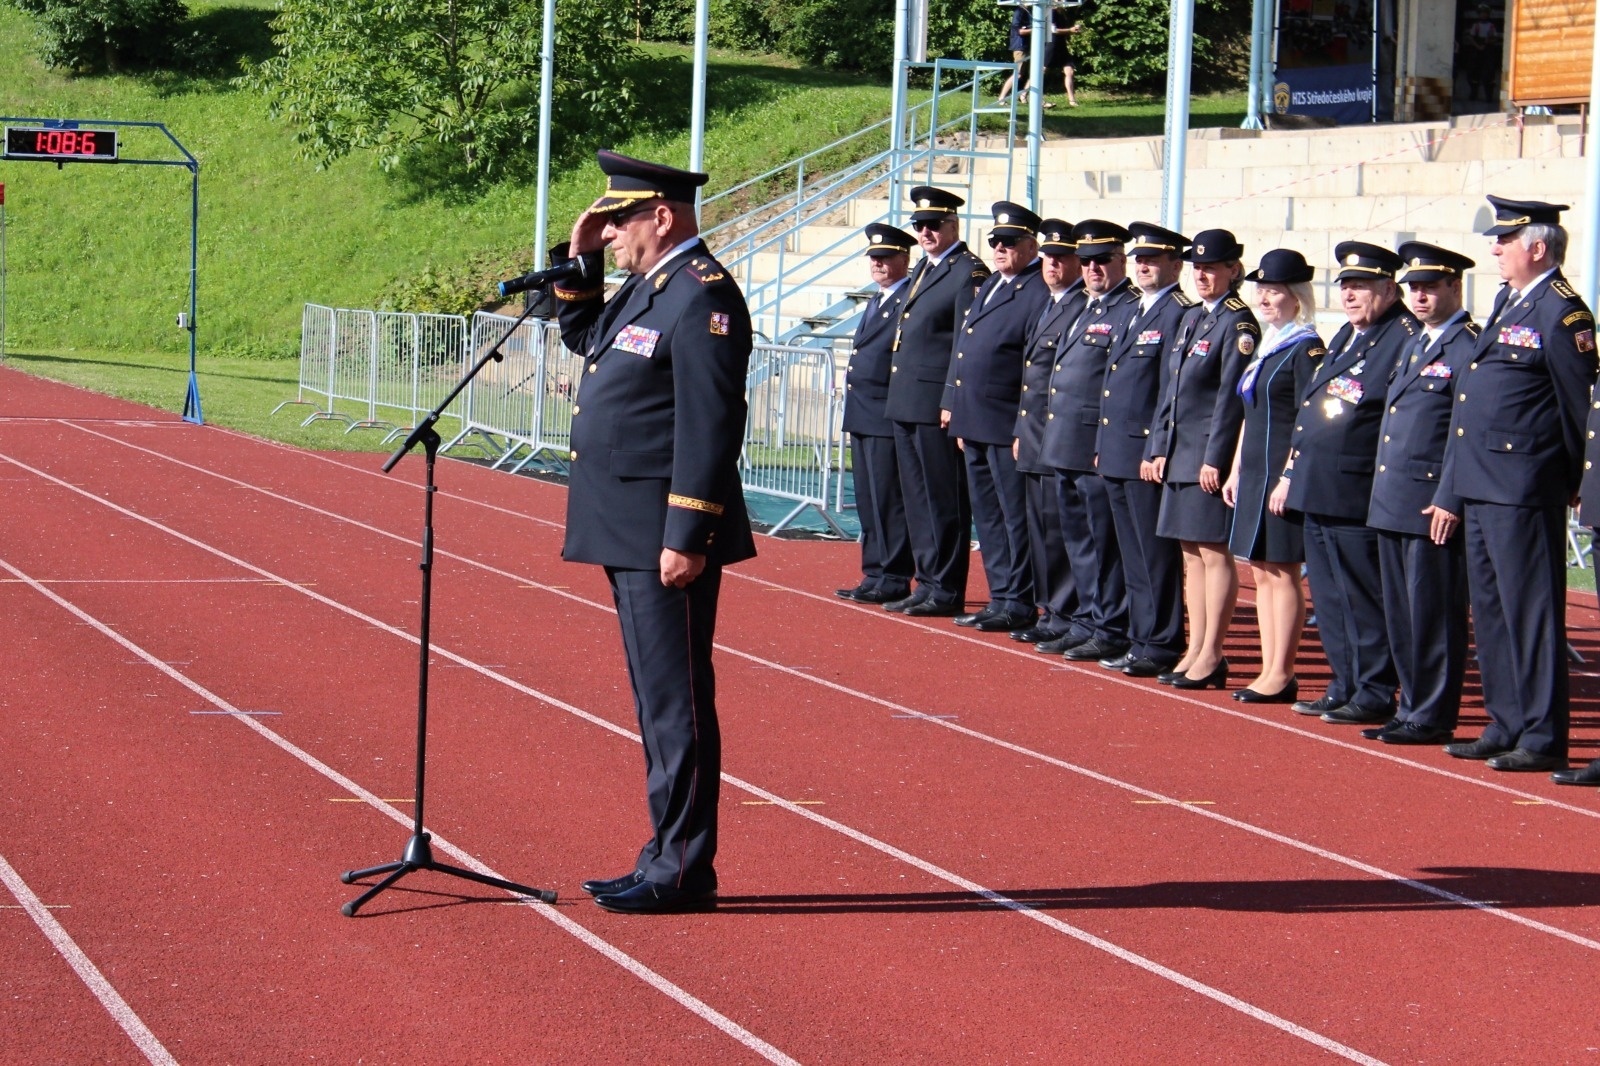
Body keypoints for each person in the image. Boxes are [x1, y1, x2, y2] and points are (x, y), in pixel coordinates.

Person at [553, 150, 755, 914]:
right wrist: (574, 259)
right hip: (627, 527)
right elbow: (587, 340)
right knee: (655, 699)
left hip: (661, 535)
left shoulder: (702, 298)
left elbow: (710, 425)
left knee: (677, 703)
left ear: (661, 216)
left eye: (617, 222)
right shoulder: (652, 289)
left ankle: (683, 869)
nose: (610, 237)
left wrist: (688, 533)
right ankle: (663, 853)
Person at [1434, 196, 1597, 773]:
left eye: (1505, 240)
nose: (1495, 249)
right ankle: (1506, 721)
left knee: (1530, 611)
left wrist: (1579, 480)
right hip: (1483, 480)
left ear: (1538, 247)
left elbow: (1579, 404)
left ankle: (1543, 731)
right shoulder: (1508, 300)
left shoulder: (1562, 312)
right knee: (1494, 610)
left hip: (1526, 483)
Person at [1281, 242, 1416, 726]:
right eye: (1346, 286)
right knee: (1332, 597)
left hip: (1357, 487)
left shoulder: (1403, 336)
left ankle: (1375, 688)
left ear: (1388, 288)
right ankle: (1344, 682)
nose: (1351, 295)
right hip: (1321, 484)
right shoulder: (1346, 336)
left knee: (1362, 595)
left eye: (1361, 286)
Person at [1360, 242, 1478, 745]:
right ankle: (1411, 705)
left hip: (1431, 500)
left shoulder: (1468, 345)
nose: (1421, 296)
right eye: (1414, 288)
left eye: (1431, 287)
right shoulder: (1415, 341)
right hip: (1394, 495)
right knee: (1402, 613)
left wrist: (1450, 496)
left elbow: (1463, 431)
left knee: (1433, 612)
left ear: (1455, 286)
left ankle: (1432, 712)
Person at [1147, 230, 1258, 690]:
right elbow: (1169, 389)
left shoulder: (1238, 323)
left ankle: (1212, 651)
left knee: (1213, 554)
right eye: (1197, 268)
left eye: (1212, 268)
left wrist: (1216, 458)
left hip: (1205, 455)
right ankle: (1195, 646)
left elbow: (1231, 400)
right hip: (1179, 453)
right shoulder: (1193, 317)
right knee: (1190, 556)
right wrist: (1157, 445)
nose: (1203, 275)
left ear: (1234, 270)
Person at [884, 186, 991, 617]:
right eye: (920, 226)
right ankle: (927, 580)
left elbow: (965, 344)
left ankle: (946, 587)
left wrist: (951, 397)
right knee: (917, 498)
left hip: (934, 404)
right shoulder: (927, 270)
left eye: (933, 226)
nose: (925, 233)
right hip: (907, 400)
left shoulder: (968, 272)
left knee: (943, 497)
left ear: (953, 226)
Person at [945, 202, 1050, 632]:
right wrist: (954, 402)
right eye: (995, 242)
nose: (1000, 248)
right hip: (976, 419)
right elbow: (965, 345)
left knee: (1013, 515)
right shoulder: (990, 285)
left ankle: (1019, 600)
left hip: (1007, 420)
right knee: (987, 515)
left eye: (1010, 242)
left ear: (1031, 245)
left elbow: (1034, 364)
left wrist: (1023, 426)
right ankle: (1000, 593)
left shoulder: (1037, 288)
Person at [1039, 218, 1139, 663]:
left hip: (1094, 443)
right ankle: (1087, 618)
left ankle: (1110, 624)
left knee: (1104, 544)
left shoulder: (1129, 308)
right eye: (1087, 261)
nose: (1093, 268)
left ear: (1121, 262)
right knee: (1078, 540)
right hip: (1066, 442)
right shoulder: (1087, 306)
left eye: (1103, 260)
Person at [1223, 249, 1319, 704]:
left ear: (1296, 297)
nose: (1264, 299)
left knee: (1282, 573)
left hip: (1281, 472)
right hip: (1256, 472)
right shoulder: (1269, 343)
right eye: (1260, 291)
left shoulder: (1305, 347)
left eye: (1274, 291)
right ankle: (1268, 667)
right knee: (1261, 571)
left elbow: (1308, 418)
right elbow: (1250, 413)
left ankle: (1280, 671)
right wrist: (1237, 467)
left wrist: (1291, 475)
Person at [1099, 222, 1194, 677]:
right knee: (1131, 552)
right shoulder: (1134, 309)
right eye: (1139, 259)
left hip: (1145, 452)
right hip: (1117, 446)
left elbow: (1168, 392)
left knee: (1154, 554)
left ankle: (1161, 640)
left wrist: (1155, 448)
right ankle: (1141, 637)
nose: (1143, 267)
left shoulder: (1179, 312)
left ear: (1176, 264)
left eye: (1153, 260)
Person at [1015, 218, 1090, 650]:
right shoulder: (1049, 302)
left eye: (1062, 258)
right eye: (1047, 258)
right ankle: (1052, 609)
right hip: (1035, 432)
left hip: (1057, 435)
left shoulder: (1079, 303)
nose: (1052, 265)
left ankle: (1065, 611)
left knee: (1060, 531)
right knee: (1041, 529)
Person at [836, 223, 917, 606]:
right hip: (862, 411)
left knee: (889, 499)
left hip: (884, 412)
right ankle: (874, 571)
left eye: (887, 258)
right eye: (875, 258)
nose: (879, 265)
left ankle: (895, 574)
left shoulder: (906, 301)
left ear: (904, 259)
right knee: (868, 498)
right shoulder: (878, 300)